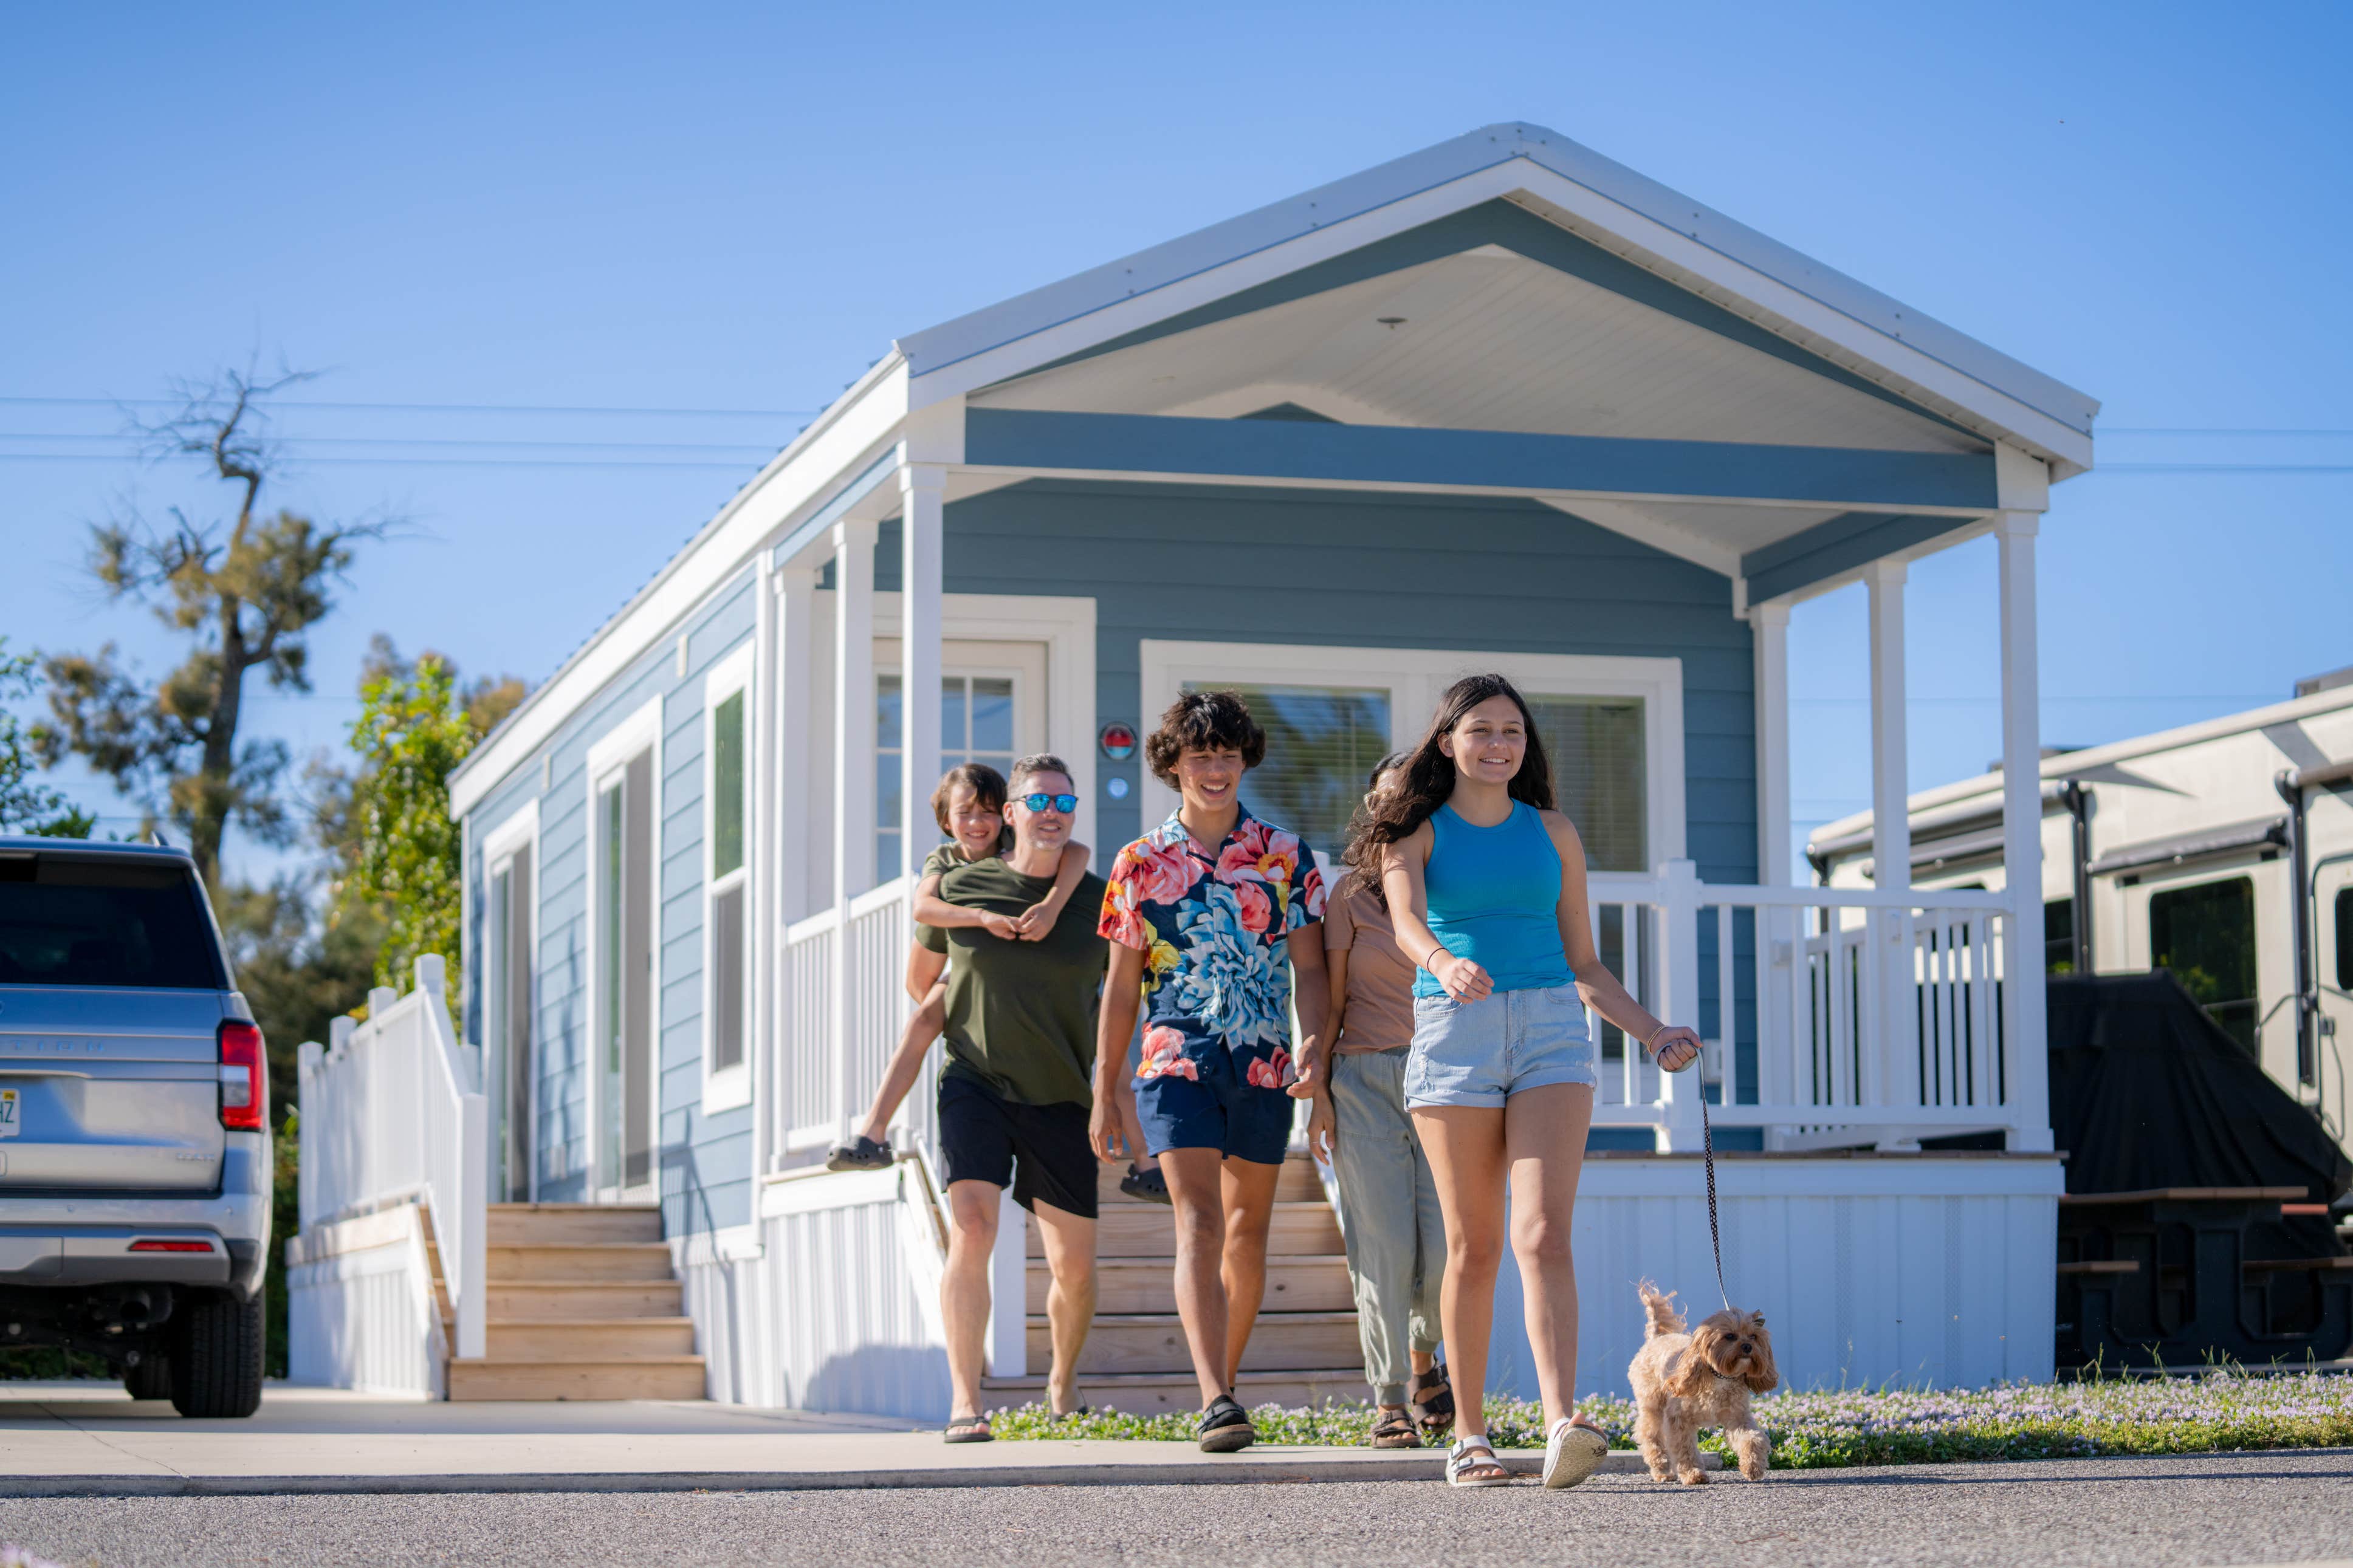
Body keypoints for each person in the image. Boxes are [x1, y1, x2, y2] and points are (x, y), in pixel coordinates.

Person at [1354, 673, 1700, 1490]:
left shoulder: (1553, 830)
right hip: (1454, 1034)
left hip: (1552, 1034)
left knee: (1542, 1235)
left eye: (1513, 731)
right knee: (1472, 1245)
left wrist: (1652, 1031)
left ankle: (1559, 1424)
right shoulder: (1414, 830)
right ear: (1447, 741)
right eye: (1481, 730)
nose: (1499, 744)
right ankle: (1468, 1435)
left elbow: (1584, 961)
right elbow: (1404, 923)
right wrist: (1443, 960)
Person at [1091, 691, 1329, 1454]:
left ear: (1243, 759)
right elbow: (1121, 988)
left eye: (1227, 754)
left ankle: (1219, 1390)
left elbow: (1312, 971)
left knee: (1247, 1231)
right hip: (1173, 1060)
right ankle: (1216, 1395)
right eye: (1200, 755)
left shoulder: (1286, 856)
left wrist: (1316, 1048)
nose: (1215, 768)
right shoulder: (1136, 864)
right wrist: (1105, 1087)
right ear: (1173, 765)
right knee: (1196, 1217)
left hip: (1264, 1062)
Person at [831, 765, 1166, 1201]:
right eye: (965, 812)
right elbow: (923, 909)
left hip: (1049, 985)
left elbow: (1079, 853)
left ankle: (1147, 1164)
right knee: (921, 1023)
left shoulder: (1018, 845)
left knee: (1112, 1056)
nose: (977, 823)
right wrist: (983, 923)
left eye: (988, 812)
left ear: (1006, 815)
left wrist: (1050, 905)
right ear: (946, 820)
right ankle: (872, 1134)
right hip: (973, 975)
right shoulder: (947, 862)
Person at [913, 755, 1110, 1440]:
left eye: (1064, 800)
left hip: (1061, 1092)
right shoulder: (963, 885)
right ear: (1014, 813)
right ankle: (965, 1401)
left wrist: (1115, 1091)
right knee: (973, 1227)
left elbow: (1122, 1001)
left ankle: (1062, 1380)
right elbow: (921, 980)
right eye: (1038, 800)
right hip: (974, 1080)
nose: (1052, 811)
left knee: (1075, 1270)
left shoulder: (1097, 898)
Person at [1296, 751, 1453, 1450]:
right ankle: (1390, 1394)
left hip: (1451, 1077)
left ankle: (1427, 1358)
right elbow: (1329, 997)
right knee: (1383, 1244)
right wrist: (1320, 1095)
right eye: (1384, 799)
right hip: (1362, 1078)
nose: (1395, 810)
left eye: (1409, 798)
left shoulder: (1456, 883)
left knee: (1446, 1243)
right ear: (1369, 806)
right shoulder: (1349, 895)